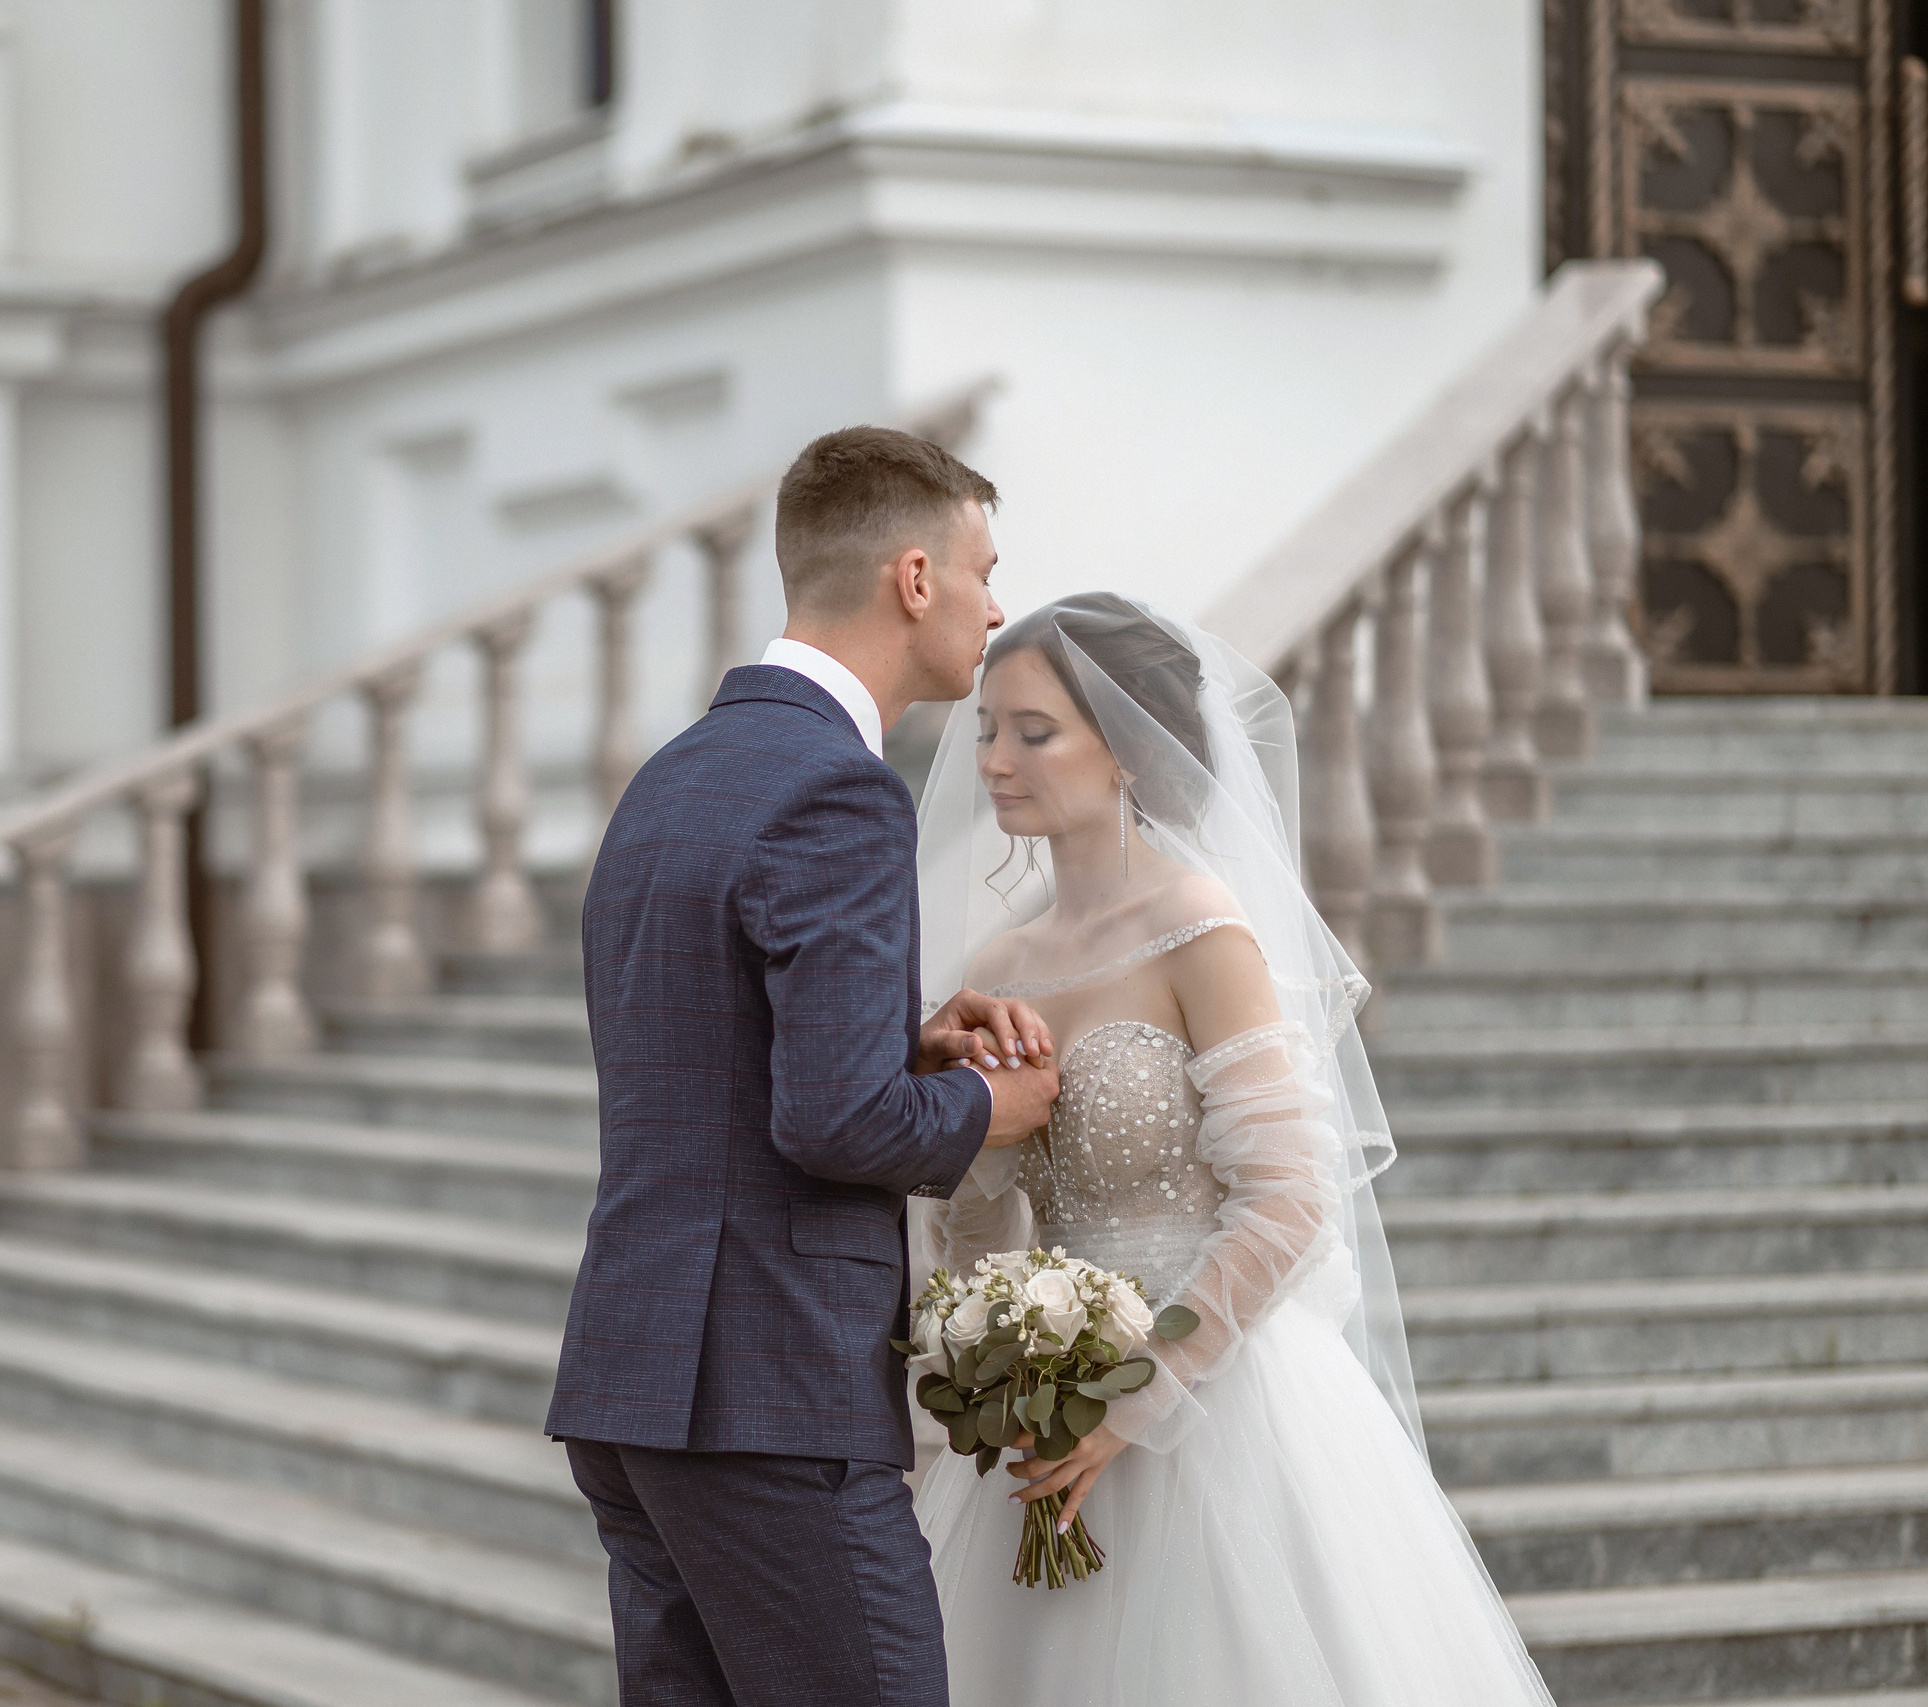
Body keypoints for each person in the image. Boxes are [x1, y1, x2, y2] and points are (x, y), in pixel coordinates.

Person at [911, 593, 1556, 1706]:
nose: (995, 760)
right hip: (1044, 1414)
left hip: (1213, 1408)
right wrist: (973, 1135)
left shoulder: (1198, 926)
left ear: (1124, 752)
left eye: (1033, 730)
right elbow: (984, 1228)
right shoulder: (1000, 960)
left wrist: (1134, 1399)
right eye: (985, 729)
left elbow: (1289, 1195)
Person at [547, 426, 1062, 1707]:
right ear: (913, 578)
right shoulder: (838, 788)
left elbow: (711, 1048)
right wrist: (992, 1103)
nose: (998, 607)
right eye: (984, 569)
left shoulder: (674, 775)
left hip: (635, 1378)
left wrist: (909, 1039)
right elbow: (837, 1124)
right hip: (766, 1396)